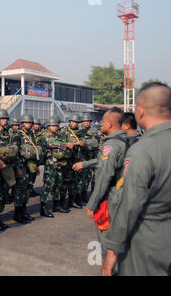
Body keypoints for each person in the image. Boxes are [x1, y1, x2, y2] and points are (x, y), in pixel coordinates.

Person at [101, 82, 171, 276]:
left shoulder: (143, 150)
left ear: (139, 112)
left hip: (148, 242)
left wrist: (112, 249)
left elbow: (130, 204)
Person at [74, 108, 128, 266]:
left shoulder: (110, 145)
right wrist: (84, 164)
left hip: (112, 197)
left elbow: (105, 176)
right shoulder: (128, 141)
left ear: (110, 124)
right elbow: (102, 161)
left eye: (103, 122)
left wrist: (92, 203)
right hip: (124, 194)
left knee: (107, 240)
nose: (100, 125)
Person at [38, 116, 72, 217]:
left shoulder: (58, 136)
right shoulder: (45, 136)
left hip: (59, 163)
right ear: (48, 126)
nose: (55, 127)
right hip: (50, 164)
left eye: (56, 125)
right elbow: (51, 143)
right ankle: (43, 208)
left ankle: (56, 205)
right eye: (53, 126)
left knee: (58, 184)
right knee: (48, 185)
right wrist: (65, 144)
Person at [12, 113, 38, 223]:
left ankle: (24, 212)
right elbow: (15, 153)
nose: (28, 124)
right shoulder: (17, 135)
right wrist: (17, 168)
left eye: (30, 123)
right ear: (22, 124)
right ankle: (18, 214)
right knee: (20, 191)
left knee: (27, 190)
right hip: (21, 167)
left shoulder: (31, 134)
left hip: (29, 167)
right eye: (26, 123)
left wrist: (36, 166)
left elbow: (34, 150)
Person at [60, 114, 85, 209]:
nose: (74, 124)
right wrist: (66, 144)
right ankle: (61, 203)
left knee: (74, 182)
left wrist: (83, 143)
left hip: (76, 160)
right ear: (69, 121)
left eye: (76, 123)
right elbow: (57, 144)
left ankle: (71, 201)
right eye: (73, 122)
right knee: (65, 183)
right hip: (66, 160)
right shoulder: (63, 131)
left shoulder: (79, 133)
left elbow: (85, 142)